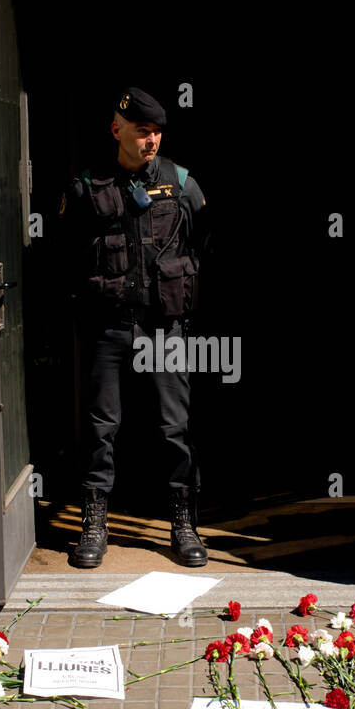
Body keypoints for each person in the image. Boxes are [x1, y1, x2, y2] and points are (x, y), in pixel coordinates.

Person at [57, 87, 210, 568]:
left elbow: (202, 244)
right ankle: (95, 523)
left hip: (165, 327)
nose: (151, 141)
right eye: (142, 132)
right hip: (109, 327)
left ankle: (183, 524)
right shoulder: (86, 186)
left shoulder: (182, 183)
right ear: (116, 129)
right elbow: (64, 256)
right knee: (102, 428)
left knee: (174, 427)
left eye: (157, 132)